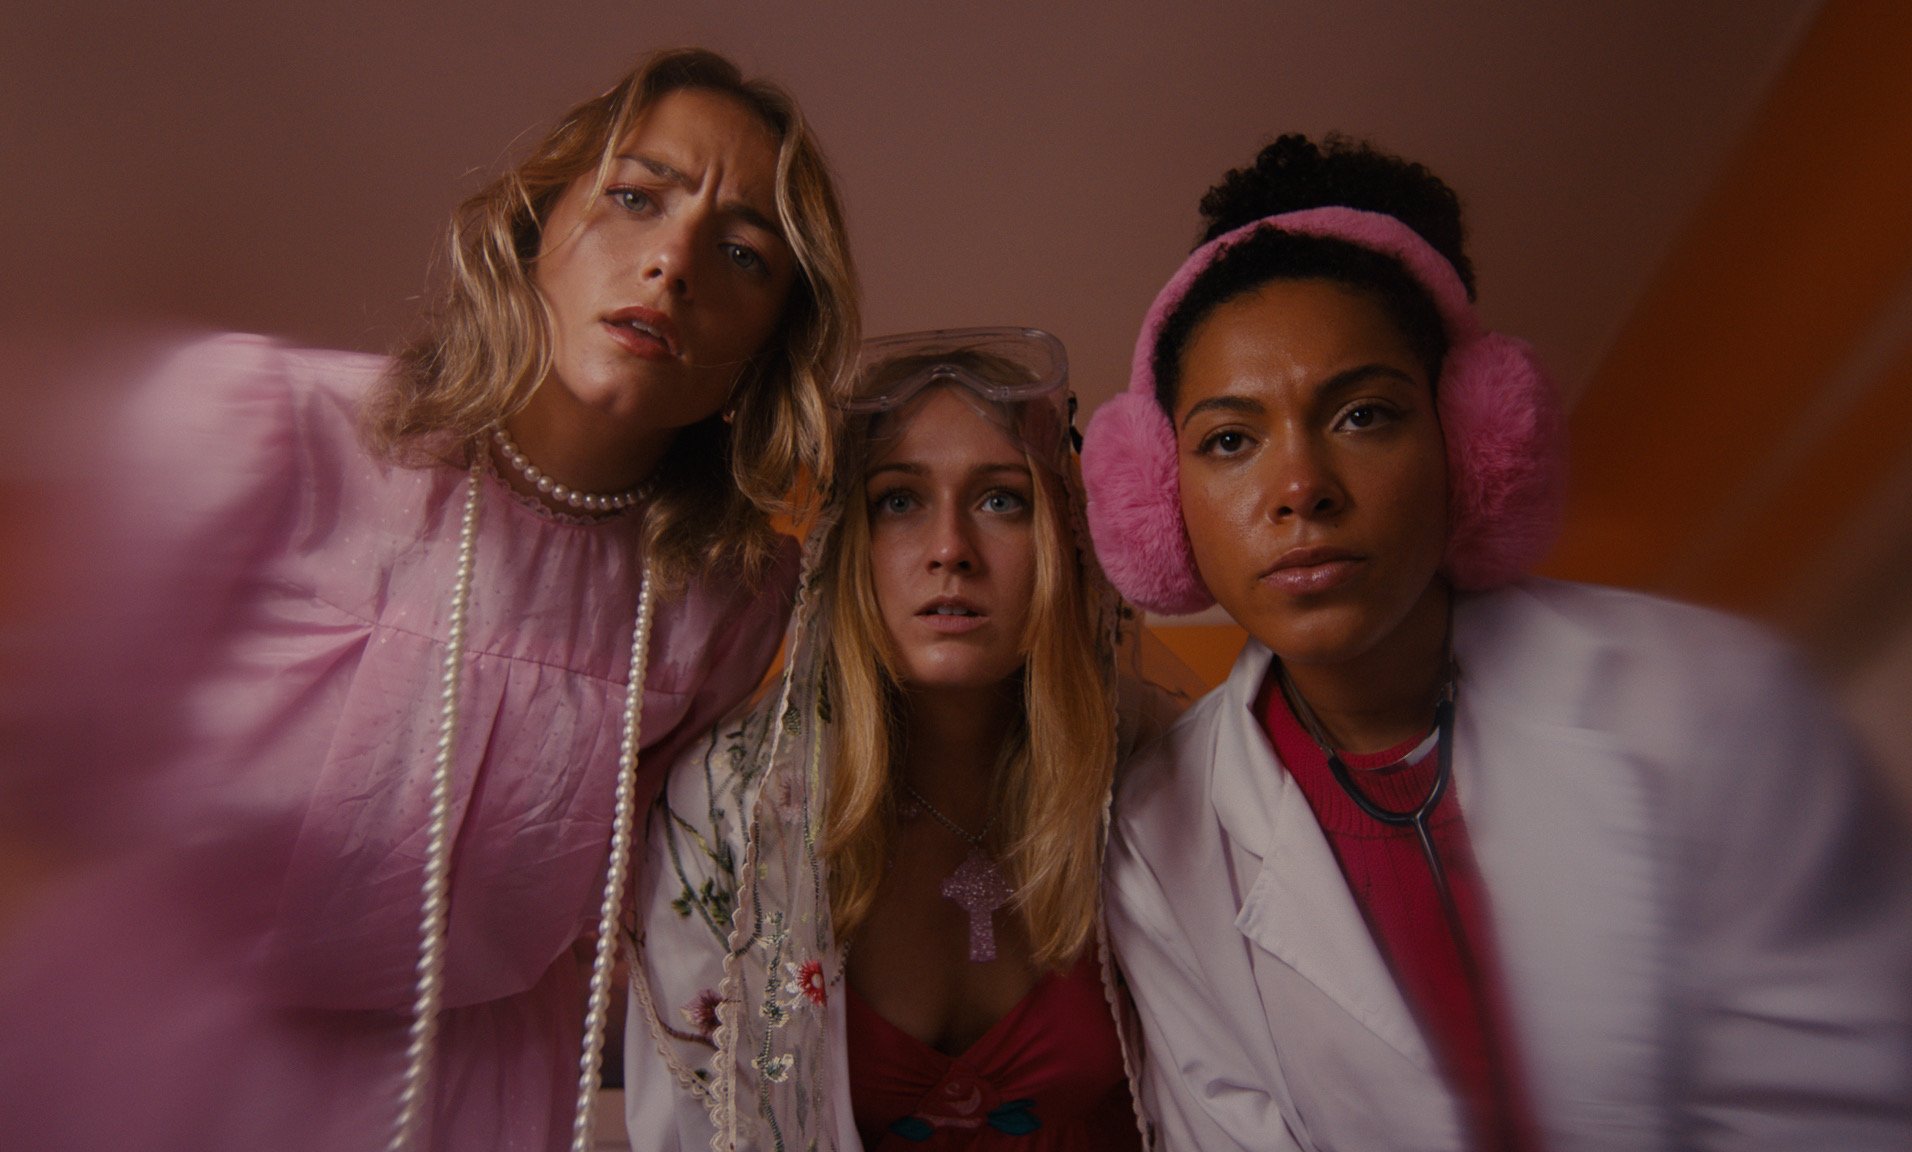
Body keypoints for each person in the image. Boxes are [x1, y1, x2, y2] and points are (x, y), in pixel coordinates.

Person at [0, 47, 857, 1152]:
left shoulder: (726, 604)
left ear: (769, 345)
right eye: (635, 199)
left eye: (743, 254)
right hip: (149, 1075)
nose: (673, 261)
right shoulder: (258, 429)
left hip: (468, 1102)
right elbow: (42, 803)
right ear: (536, 227)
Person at [1081, 134, 1912, 1151]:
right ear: (1159, 503)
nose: (1299, 488)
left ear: (1472, 446)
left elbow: (1840, 1109)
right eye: (1229, 440)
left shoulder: (1715, 703)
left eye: (1362, 414)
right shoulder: (1150, 839)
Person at [624, 329, 1181, 1150]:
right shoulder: (729, 809)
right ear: (849, 544)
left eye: (1001, 500)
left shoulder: (1158, 770)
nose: (950, 550)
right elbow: (693, 1132)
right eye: (900, 501)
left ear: (1064, 538)